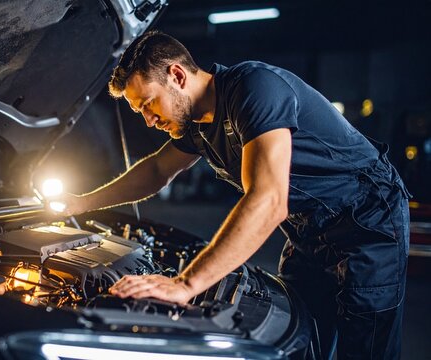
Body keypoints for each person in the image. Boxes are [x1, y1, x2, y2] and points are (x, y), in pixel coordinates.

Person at [60, 30, 410, 359]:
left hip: (367, 223)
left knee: (364, 348)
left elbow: (269, 200)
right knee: (298, 341)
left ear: (177, 76)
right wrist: (80, 203)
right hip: (309, 232)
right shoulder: (197, 124)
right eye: (140, 113)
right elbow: (156, 171)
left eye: (149, 104)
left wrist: (185, 283)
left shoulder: (254, 89)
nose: (149, 121)